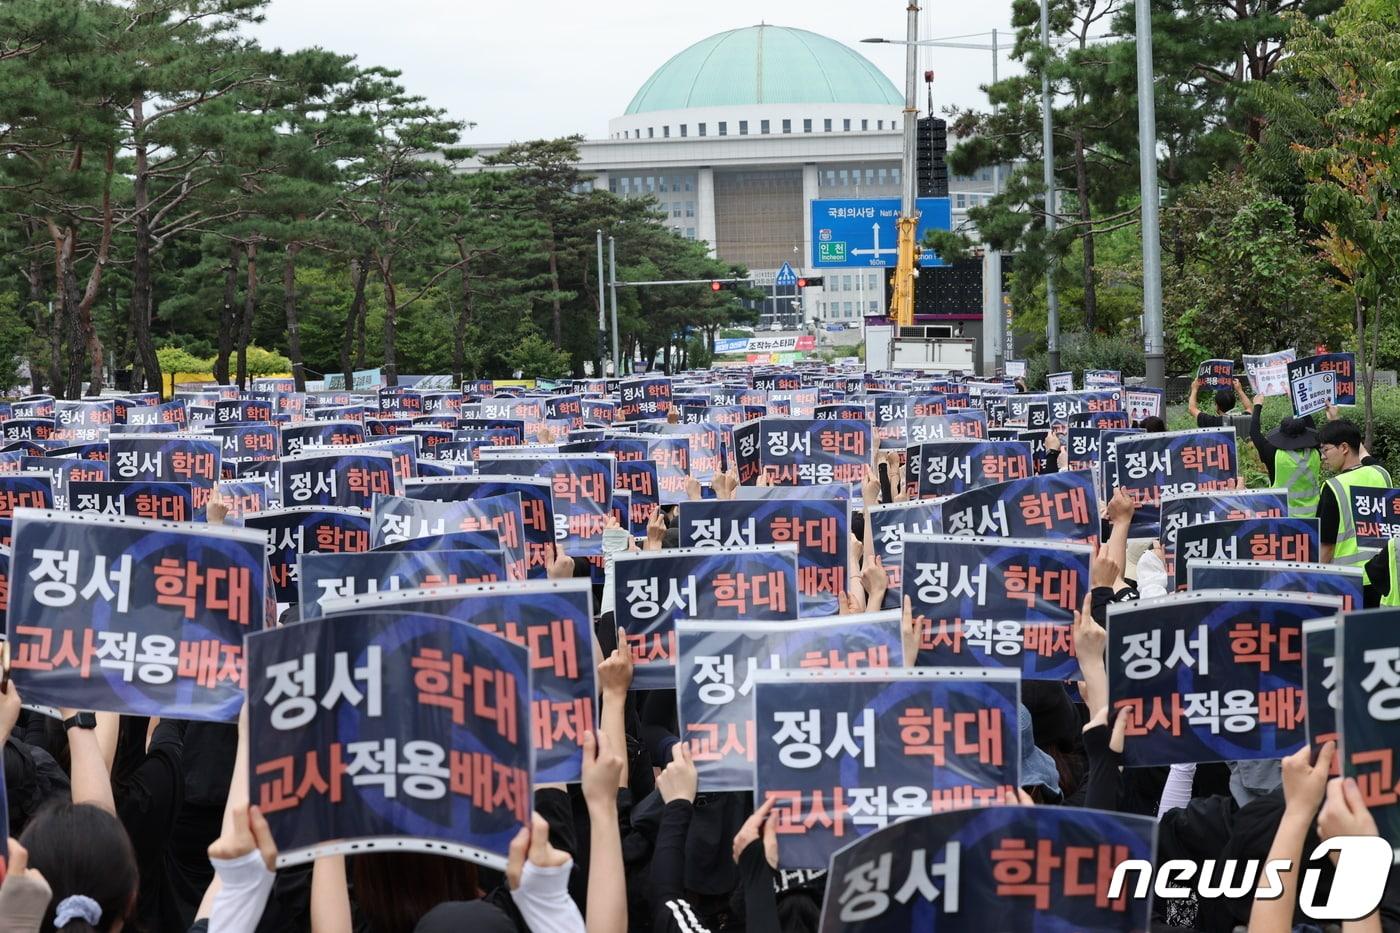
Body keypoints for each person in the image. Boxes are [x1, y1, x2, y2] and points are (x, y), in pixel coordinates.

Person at [1316, 408, 1393, 567]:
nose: (1323, 456)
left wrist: (1312, 579)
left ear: (1344, 448)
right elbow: (1361, 453)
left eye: (1325, 450)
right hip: (1385, 578)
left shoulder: (1333, 487)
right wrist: (1337, 423)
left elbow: (1327, 546)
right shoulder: (1381, 473)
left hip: (1350, 581)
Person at [1241, 392, 1322, 518]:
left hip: (1282, 517)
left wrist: (1257, 405)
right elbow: (1312, 427)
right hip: (1314, 517)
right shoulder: (1315, 451)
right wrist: (1296, 400)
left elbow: (1254, 433)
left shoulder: (1273, 453)